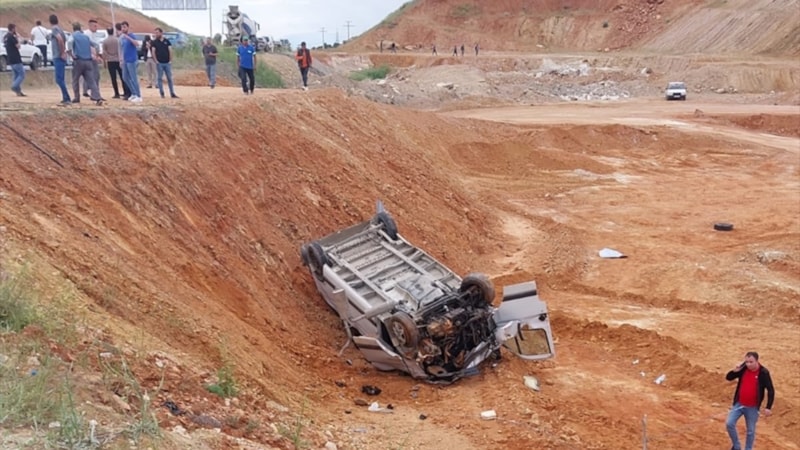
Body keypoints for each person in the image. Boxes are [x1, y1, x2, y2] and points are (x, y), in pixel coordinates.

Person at [725, 351, 775, 450]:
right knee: (729, 423)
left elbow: (770, 390)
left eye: (751, 362)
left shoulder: (763, 372)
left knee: (751, 431)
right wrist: (735, 371)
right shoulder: (743, 369)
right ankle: (737, 446)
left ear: (757, 361)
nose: (748, 364)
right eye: (747, 362)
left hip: (752, 407)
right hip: (739, 404)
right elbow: (728, 378)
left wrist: (768, 407)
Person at [69, 23, 103, 106]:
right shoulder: (86, 37)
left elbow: (69, 44)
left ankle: (77, 98)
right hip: (88, 61)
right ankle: (97, 98)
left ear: (73, 29)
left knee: (75, 80)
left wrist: (71, 55)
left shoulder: (73, 36)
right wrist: (97, 55)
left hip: (78, 61)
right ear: (80, 29)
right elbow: (96, 45)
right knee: (91, 81)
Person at [49, 14, 71, 105]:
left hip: (58, 56)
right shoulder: (61, 29)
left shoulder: (54, 30)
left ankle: (67, 98)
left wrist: (62, 52)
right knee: (60, 78)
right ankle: (65, 97)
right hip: (60, 55)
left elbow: (60, 40)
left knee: (59, 79)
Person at [151, 28, 178, 98]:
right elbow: (153, 52)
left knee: (169, 78)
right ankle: (162, 93)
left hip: (167, 63)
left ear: (161, 33)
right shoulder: (154, 42)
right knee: (159, 78)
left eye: (157, 33)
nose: (156, 34)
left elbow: (170, 50)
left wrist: (170, 60)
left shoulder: (167, 41)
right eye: (155, 33)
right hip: (159, 63)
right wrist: (156, 61)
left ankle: (172, 93)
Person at [103, 26, 128, 99]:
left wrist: (106, 59)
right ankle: (126, 92)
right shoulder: (117, 40)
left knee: (113, 78)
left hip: (110, 61)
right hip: (118, 60)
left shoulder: (105, 41)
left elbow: (104, 52)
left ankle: (116, 93)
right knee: (122, 77)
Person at [119, 21, 142, 102]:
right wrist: (121, 59)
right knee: (125, 77)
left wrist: (128, 37)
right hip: (125, 60)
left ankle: (138, 96)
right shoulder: (122, 38)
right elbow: (122, 49)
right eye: (122, 27)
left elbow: (137, 44)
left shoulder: (131, 35)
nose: (123, 29)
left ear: (128, 27)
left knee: (133, 78)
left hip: (132, 60)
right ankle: (133, 93)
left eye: (124, 27)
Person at [3, 24, 26, 97]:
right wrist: (18, 39)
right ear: (13, 29)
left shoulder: (5, 37)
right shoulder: (11, 37)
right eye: (15, 28)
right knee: (22, 74)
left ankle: (18, 91)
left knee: (16, 75)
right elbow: (18, 46)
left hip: (10, 57)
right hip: (16, 57)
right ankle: (14, 86)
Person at [83, 19, 103, 98]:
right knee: (95, 76)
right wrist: (95, 56)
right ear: (90, 26)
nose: (96, 28)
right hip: (90, 58)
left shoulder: (94, 34)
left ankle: (88, 91)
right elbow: (90, 46)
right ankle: (95, 94)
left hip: (92, 57)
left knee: (91, 76)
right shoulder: (87, 34)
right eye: (95, 26)